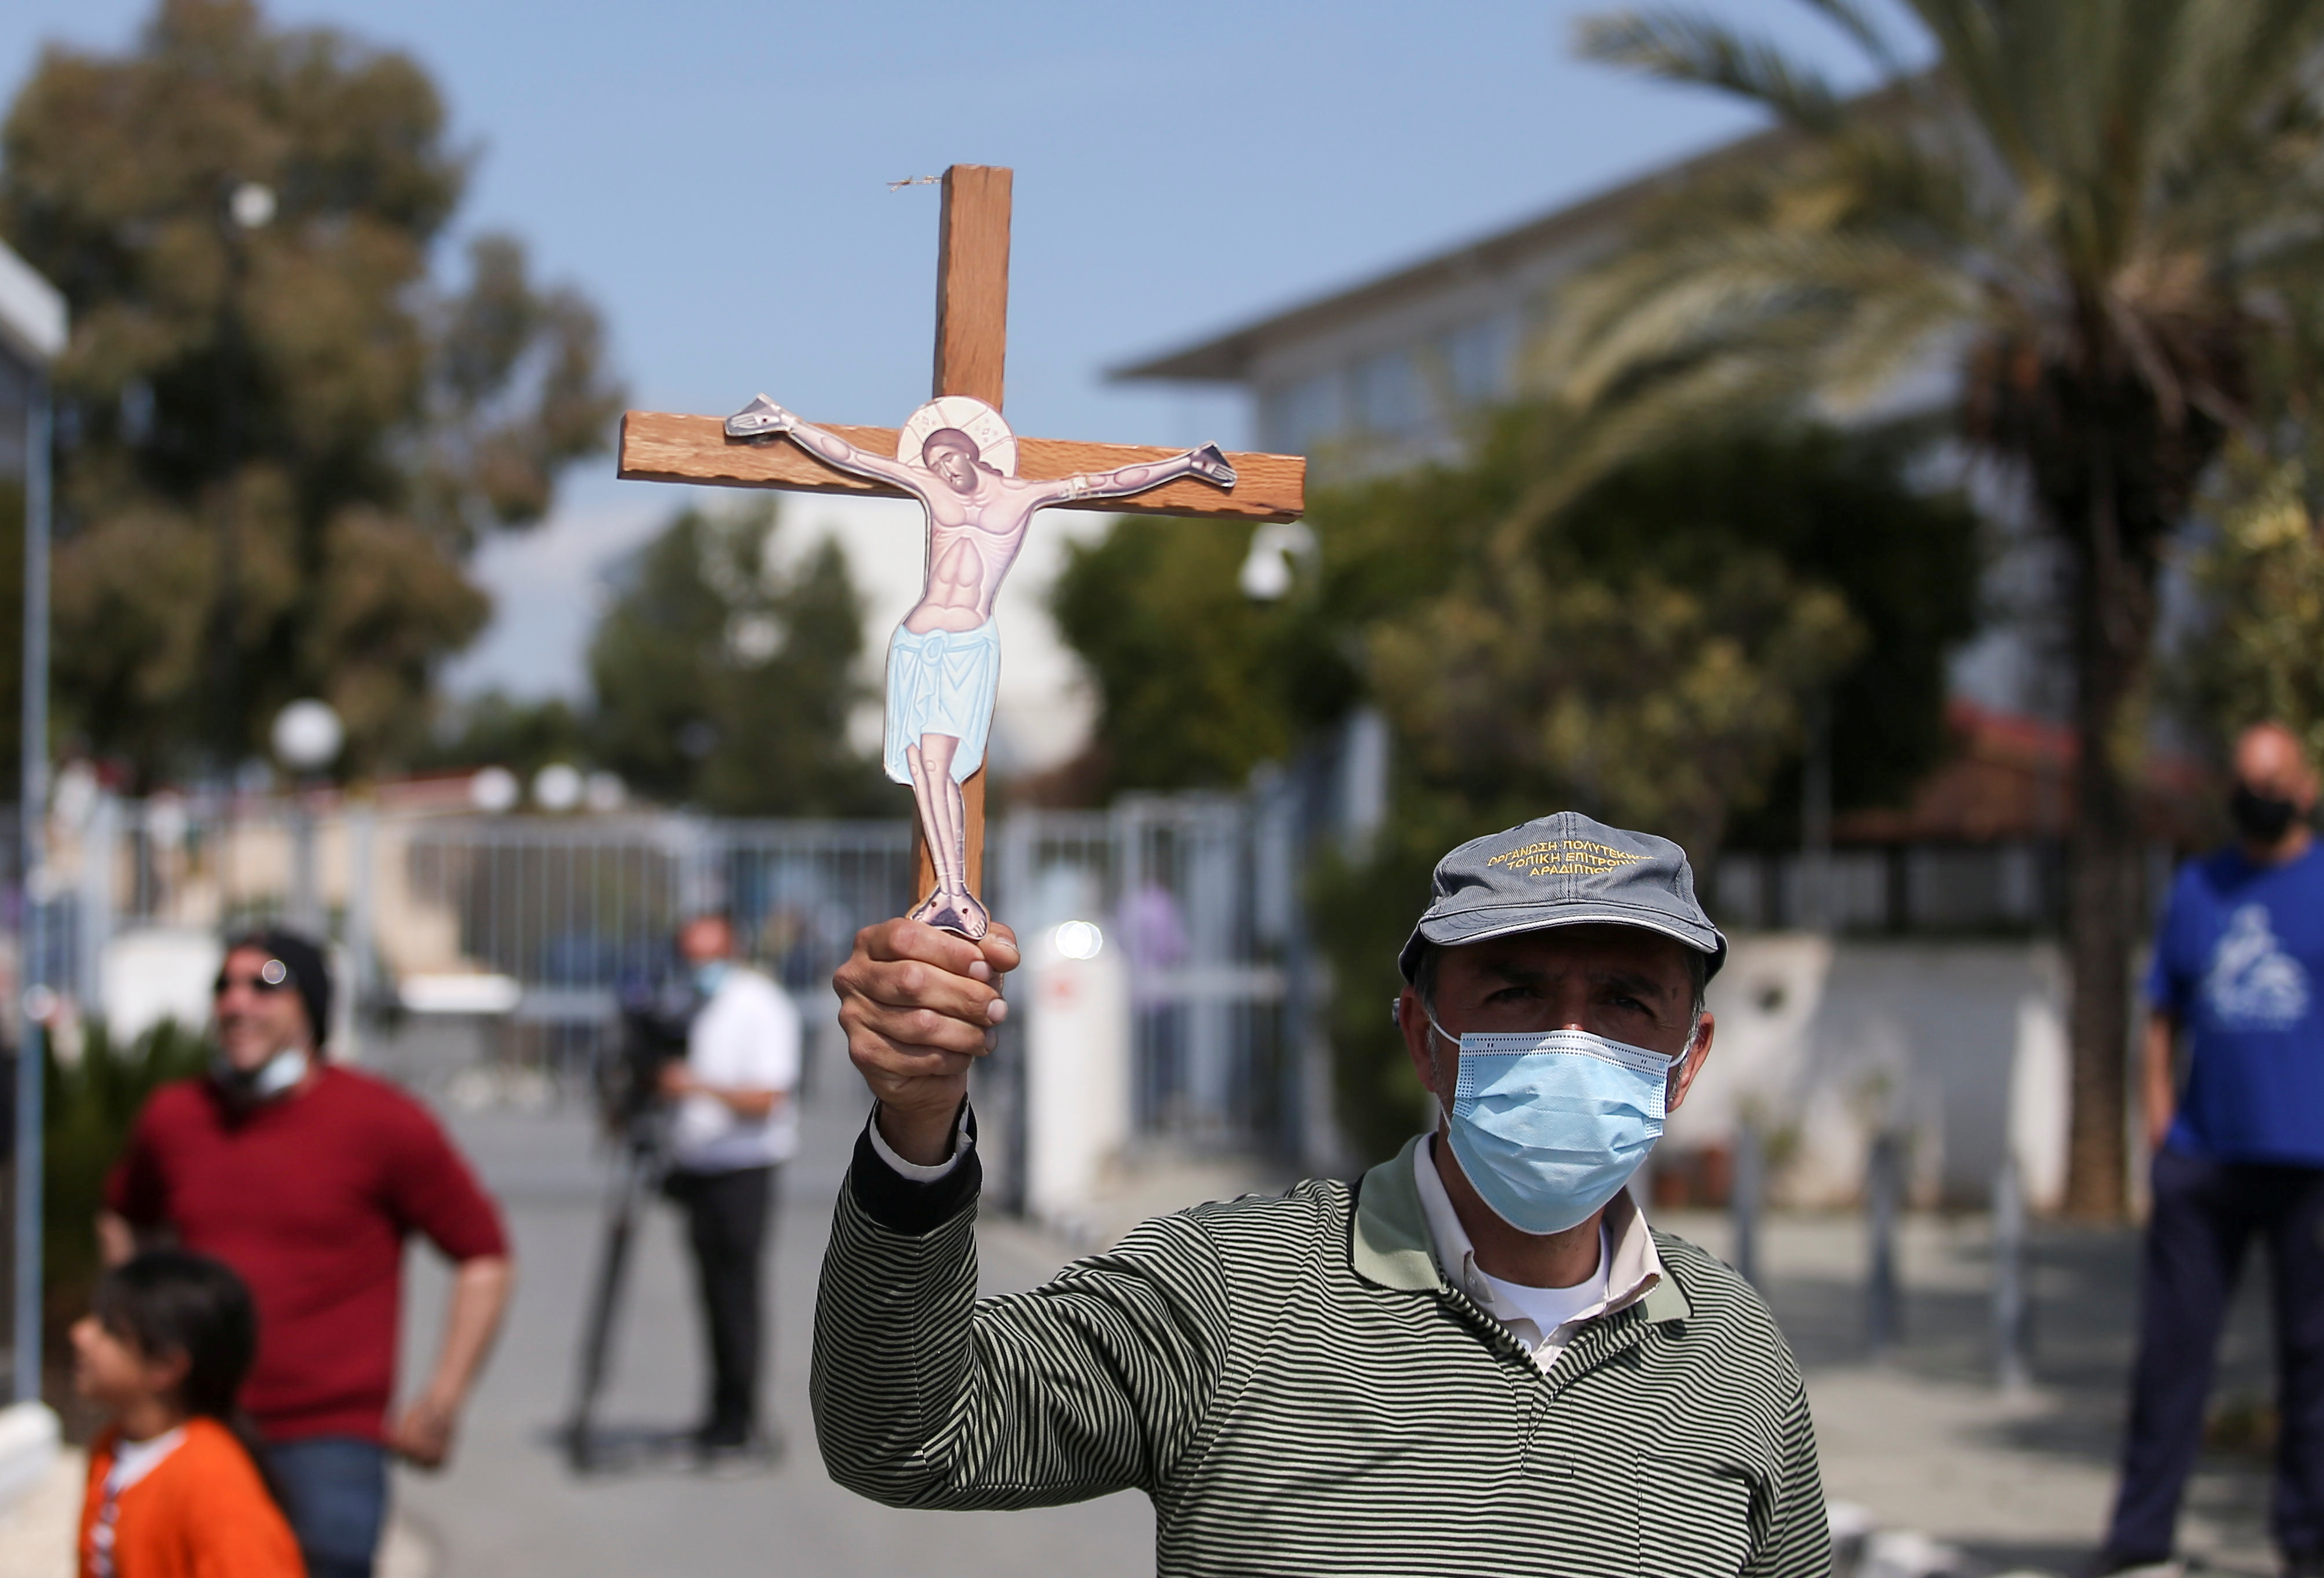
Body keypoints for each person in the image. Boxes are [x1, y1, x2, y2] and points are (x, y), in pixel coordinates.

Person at [817, 810, 1828, 1574]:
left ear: (1684, 1058)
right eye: (1515, 992)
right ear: (1422, 1035)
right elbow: (909, 1435)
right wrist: (918, 1128)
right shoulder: (1227, 1295)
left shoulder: (1734, 1353)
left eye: (1621, 1000)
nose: (1569, 1039)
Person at [726, 391, 1235, 937]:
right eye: (936, 463)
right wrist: (789, 424)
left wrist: (1185, 463)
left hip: (969, 644)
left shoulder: (1023, 495)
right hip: (917, 640)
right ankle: (950, 891)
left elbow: (1109, 480)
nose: (945, 470)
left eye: (951, 458)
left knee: (942, 762)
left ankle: (954, 891)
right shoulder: (929, 487)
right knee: (921, 764)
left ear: (972, 451)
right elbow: (854, 457)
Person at [99, 928, 511, 1578]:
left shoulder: (382, 1121)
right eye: (224, 986)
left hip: (330, 1441)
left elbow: (483, 1254)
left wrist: (443, 1397)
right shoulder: (175, 1117)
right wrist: (135, 1335)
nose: (237, 1003)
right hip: (203, 1427)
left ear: (312, 1008)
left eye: (264, 985)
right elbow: (125, 1214)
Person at [2101, 722, 2324, 1576]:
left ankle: (2305, 1541)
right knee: (2170, 1358)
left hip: (2306, 1162)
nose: (2258, 791)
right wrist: (2158, 1134)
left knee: (2310, 1363)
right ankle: (2137, 1541)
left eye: (2273, 777)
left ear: (2302, 786)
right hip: (2203, 1161)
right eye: (2245, 777)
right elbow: (2159, 1016)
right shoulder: (2198, 885)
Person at [658, 910, 801, 1461]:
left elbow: (768, 1096)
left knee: (737, 1292)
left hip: (745, 1165)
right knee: (710, 1292)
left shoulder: (760, 1004)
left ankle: (743, 1418)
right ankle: (719, 1410)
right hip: (696, 1162)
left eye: (708, 955)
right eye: (691, 955)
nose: (699, 967)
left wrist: (693, 1086)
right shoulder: (686, 1002)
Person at [72, 1248, 304, 1578]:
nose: (80, 1334)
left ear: (166, 1366)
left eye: (109, 1329)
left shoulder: (213, 1481)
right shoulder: (110, 1449)